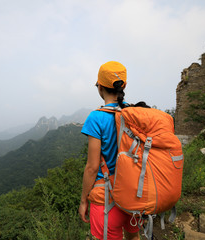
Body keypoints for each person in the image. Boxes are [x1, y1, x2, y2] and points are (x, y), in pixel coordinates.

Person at [78, 61, 140, 240]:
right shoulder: (134, 113)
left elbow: (92, 167)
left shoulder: (96, 118)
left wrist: (83, 201)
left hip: (106, 200)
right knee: (134, 237)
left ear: (100, 87)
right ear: (124, 86)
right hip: (133, 195)